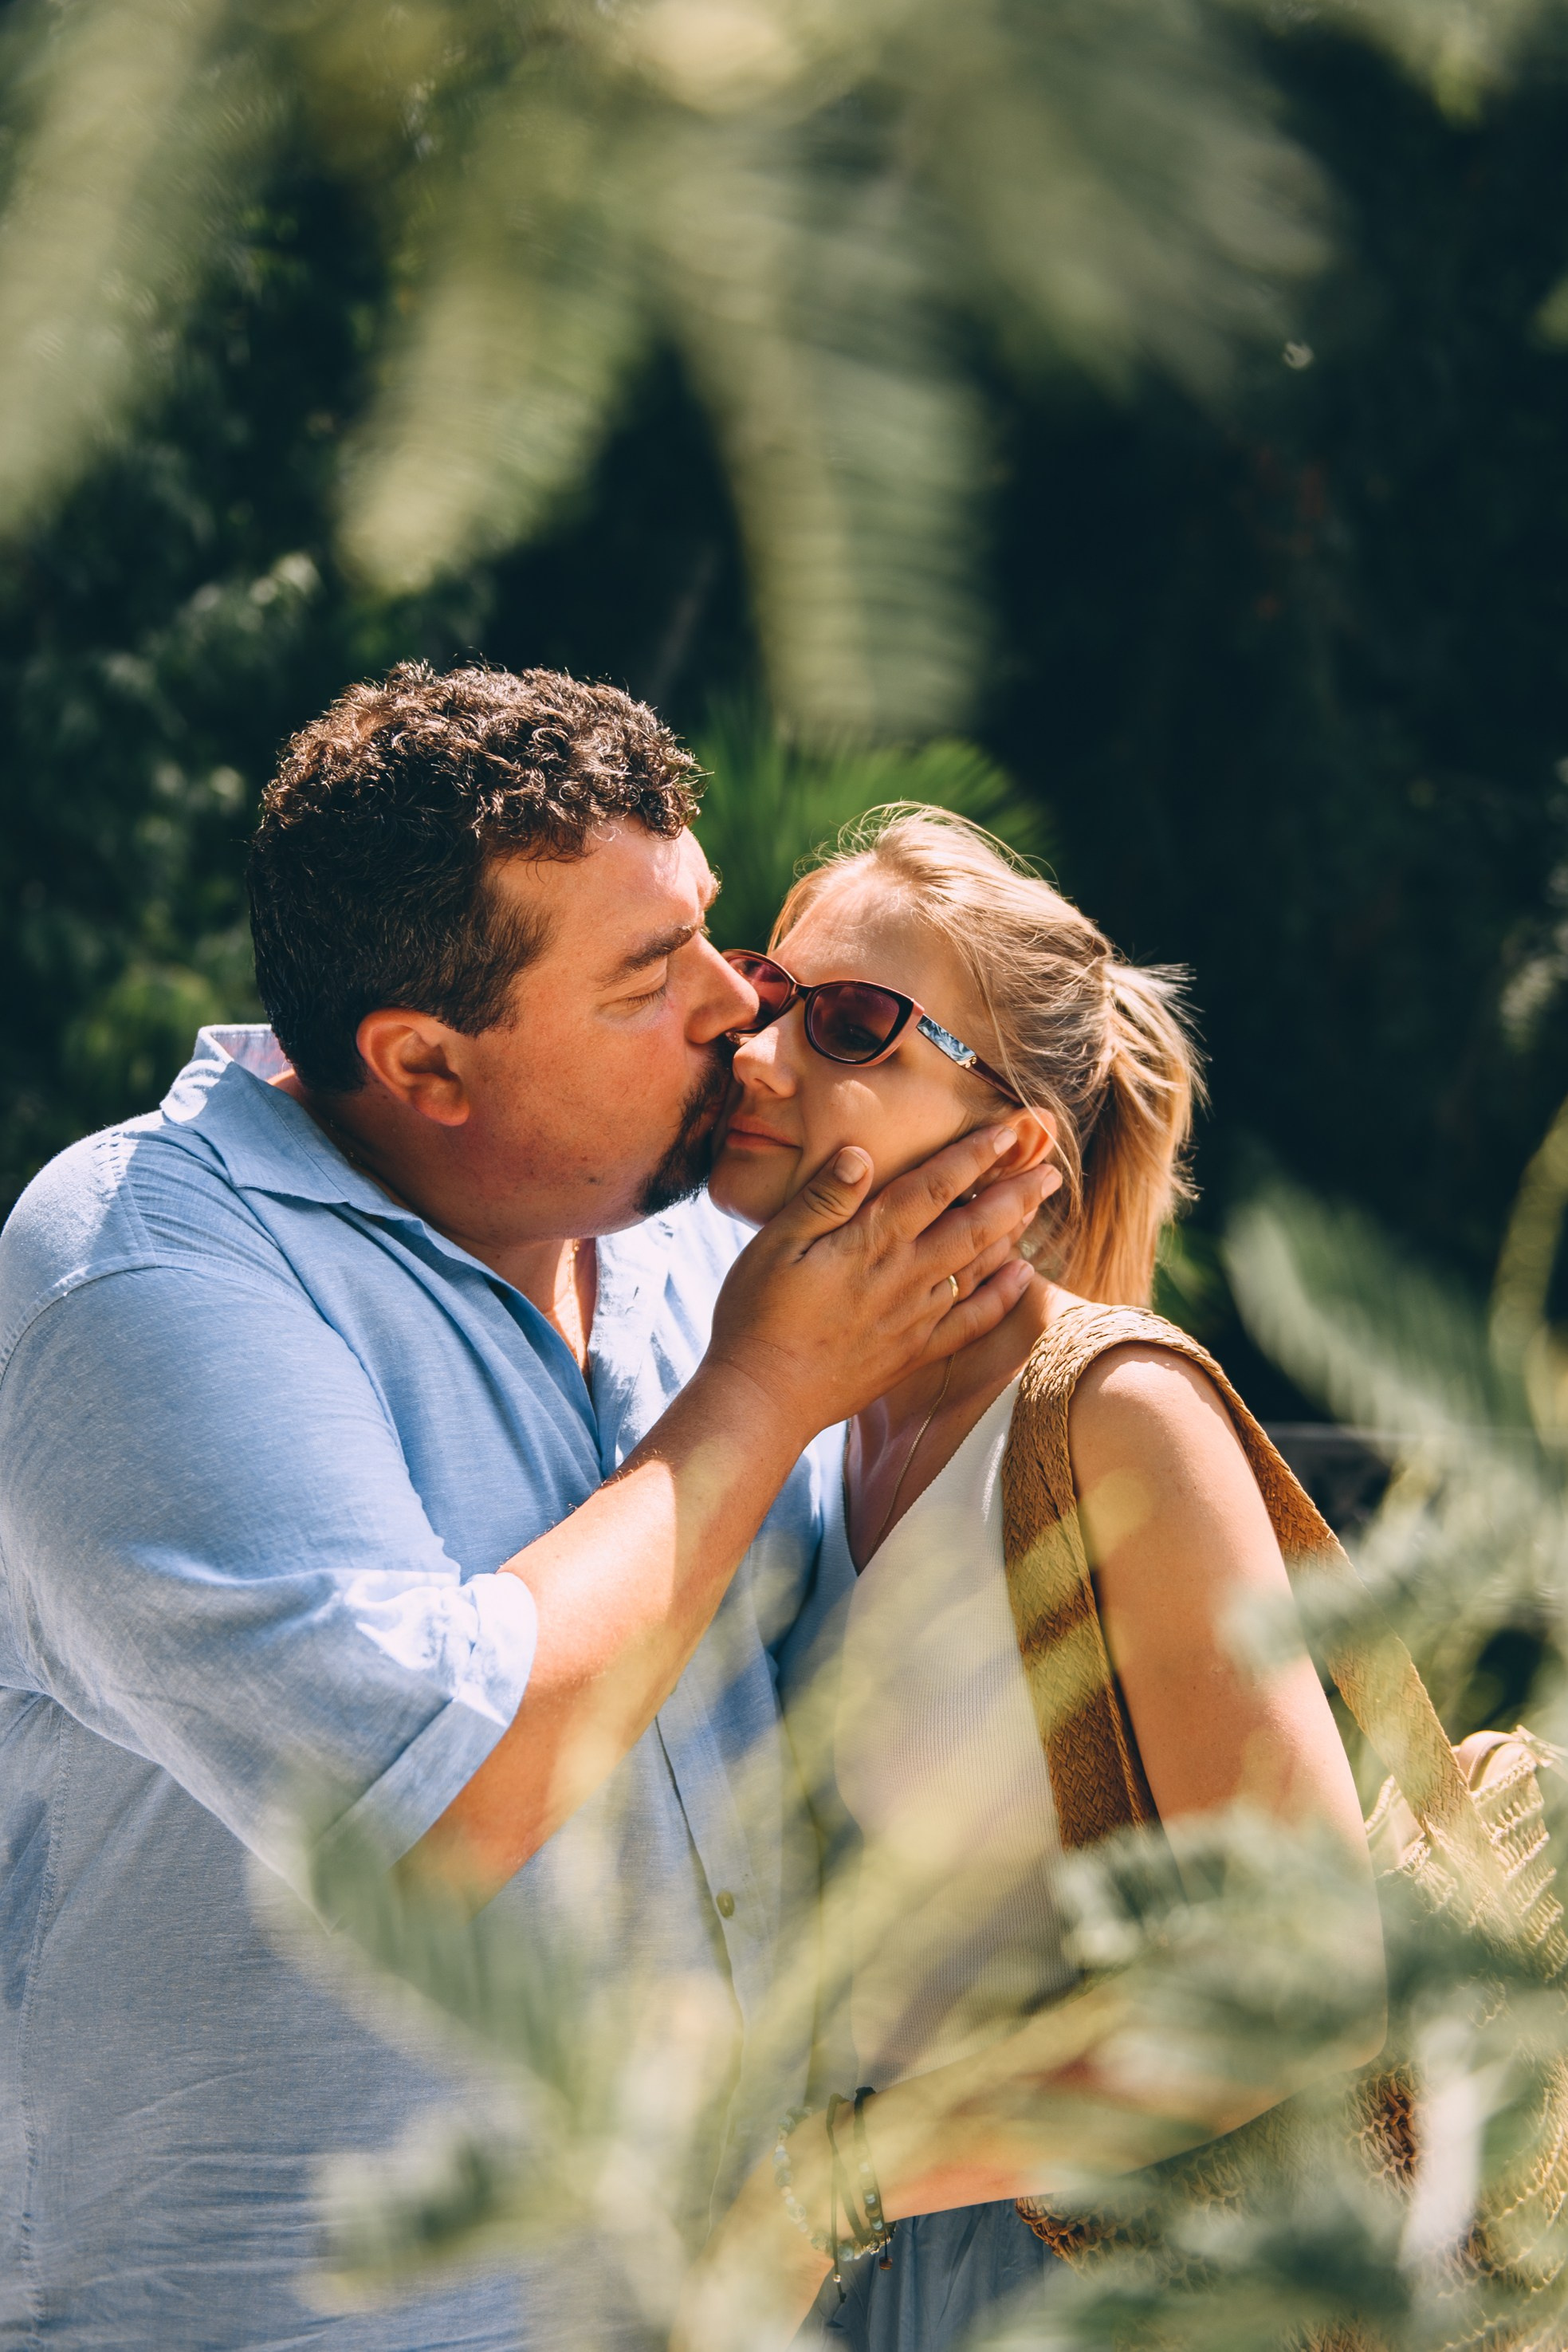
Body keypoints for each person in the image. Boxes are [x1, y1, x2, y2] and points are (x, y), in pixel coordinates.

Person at [0, 671, 1051, 2352]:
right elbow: (436, 1814)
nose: (738, 1007)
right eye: (654, 979)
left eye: (718, 933)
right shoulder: (145, 1273)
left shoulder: (709, 1241)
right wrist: (762, 1394)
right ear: (426, 1060)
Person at [678, 805, 1386, 2352]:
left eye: (855, 1022)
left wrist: (851, 2167)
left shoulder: (1116, 1415)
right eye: (764, 993)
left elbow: (1306, 1979)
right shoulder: (795, 1421)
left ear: (1015, 1141)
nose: (761, 1052)